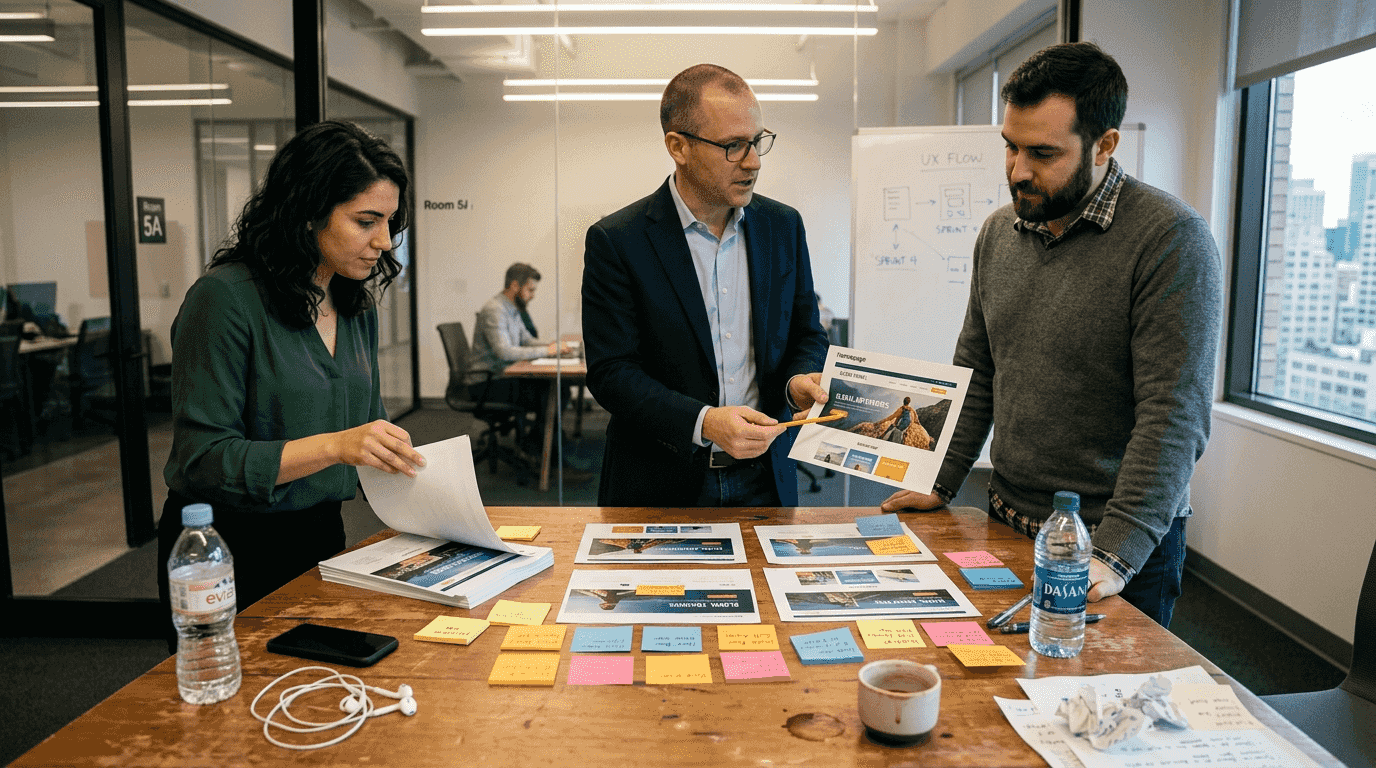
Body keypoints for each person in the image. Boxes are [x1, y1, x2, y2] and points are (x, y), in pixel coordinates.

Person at [881, 42, 1222, 628]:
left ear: (1104, 145)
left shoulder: (1171, 241)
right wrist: (940, 476)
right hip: (1006, 514)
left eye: (1042, 153)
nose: (1018, 170)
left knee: (1105, 707)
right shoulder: (998, 232)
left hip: (1112, 539)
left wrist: (1115, 553)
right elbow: (977, 370)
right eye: (1010, 148)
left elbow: (1173, 416)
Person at [158, 120, 425, 648]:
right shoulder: (225, 300)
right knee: (228, 714)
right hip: (227, 547)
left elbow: (366, 433)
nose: (382, 241)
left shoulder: (354, 306)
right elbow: (202, 459)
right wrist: (337, 446)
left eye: (390, 222)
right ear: (307, 214)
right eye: (366, 221)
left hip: (320, 534)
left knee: (314, 697)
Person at [582, 63, 830, 508]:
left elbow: (806, 333)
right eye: (733, 146)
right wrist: (705, 421)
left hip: (765, 478)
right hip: (660, 482)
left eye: (756, 142)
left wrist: (796, 381)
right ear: (678, 147)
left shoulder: (782, 226)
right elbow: (612, 373)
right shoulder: (618, 240)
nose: (753, 162)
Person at [470, 263, 574, 455]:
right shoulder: (495, 310)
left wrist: (553, 347)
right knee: (554, 391)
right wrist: (548, 351)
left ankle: (540, 443)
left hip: (501, 377)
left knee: (559, 388)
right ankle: (544, 449)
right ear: (515, 286)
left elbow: (527, 340)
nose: (533, 295)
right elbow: (505, 352)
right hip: (486, 384)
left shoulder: (512, 308)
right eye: (530, 289)